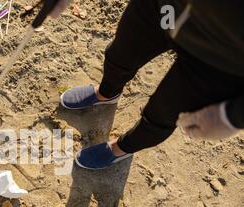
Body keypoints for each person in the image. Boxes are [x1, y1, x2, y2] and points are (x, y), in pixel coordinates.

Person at [49, 0, 244, 169]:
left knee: (160, 115)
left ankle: (122, 148)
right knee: (119, 57)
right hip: (167, 8)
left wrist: (233, 116)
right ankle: (106, 94)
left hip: (222, 58)